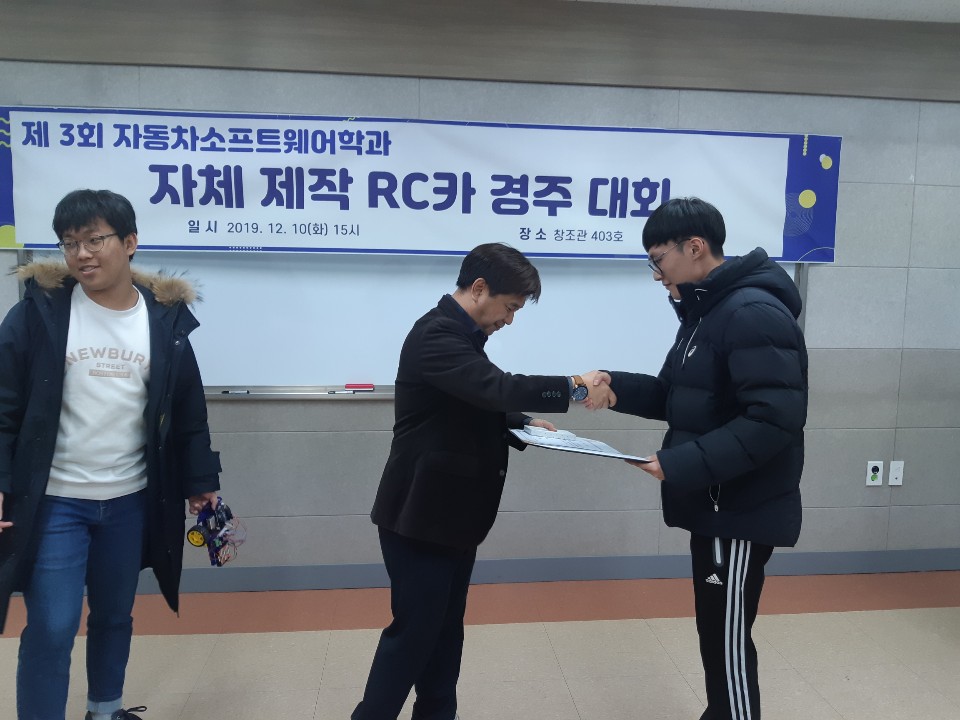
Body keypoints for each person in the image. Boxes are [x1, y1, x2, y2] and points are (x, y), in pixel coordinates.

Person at [352, 242, 611, 720]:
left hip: (451, 518)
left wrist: (520, 421)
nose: (509, 320)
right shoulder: (436, 334)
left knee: (444, 636)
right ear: (478, 288)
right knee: (413, 637)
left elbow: (468, 399)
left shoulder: (462, 336)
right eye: (509, 308)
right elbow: (493, 387)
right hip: (420, 519)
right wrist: (574, 385)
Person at [0, 189, 223, 720]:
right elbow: (3, 405)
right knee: (52, 625)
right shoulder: (38, 313)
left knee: (114, 616)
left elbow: (187, 412)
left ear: (129, 242)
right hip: (56, 500)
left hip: (129, 499)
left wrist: (201, 481)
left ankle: (105, 710)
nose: (81, 254)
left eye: (94, 240)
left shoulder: (164, 321)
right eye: (70, 243)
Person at [587, 197, 808, 720]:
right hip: (715, 502)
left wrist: (681, 464)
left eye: (658, 260)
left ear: (694, 247)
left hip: (739, 507)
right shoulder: (705, 311)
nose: (656, 274)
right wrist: (616, 388)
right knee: (716, 632)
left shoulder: (750, 312)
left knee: (727, 640)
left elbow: (773, 420)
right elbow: (677, 395)